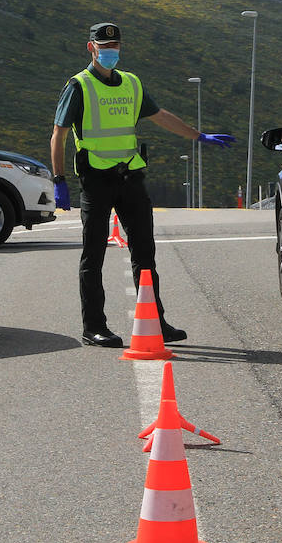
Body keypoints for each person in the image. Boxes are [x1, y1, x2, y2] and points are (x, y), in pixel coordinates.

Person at [50, 22, 236, 348]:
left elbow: (159, 115)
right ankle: (94, 326)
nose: (110, 52)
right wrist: (60, 180)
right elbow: (59, 134)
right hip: (96, 179)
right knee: (93, 255)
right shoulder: (79, 86)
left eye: (115, 46)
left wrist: (198, 136)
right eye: (103, 46)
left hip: (130, 178)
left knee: (145, 254)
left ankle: (156, 321)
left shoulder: (132, 84)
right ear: (90, 48)